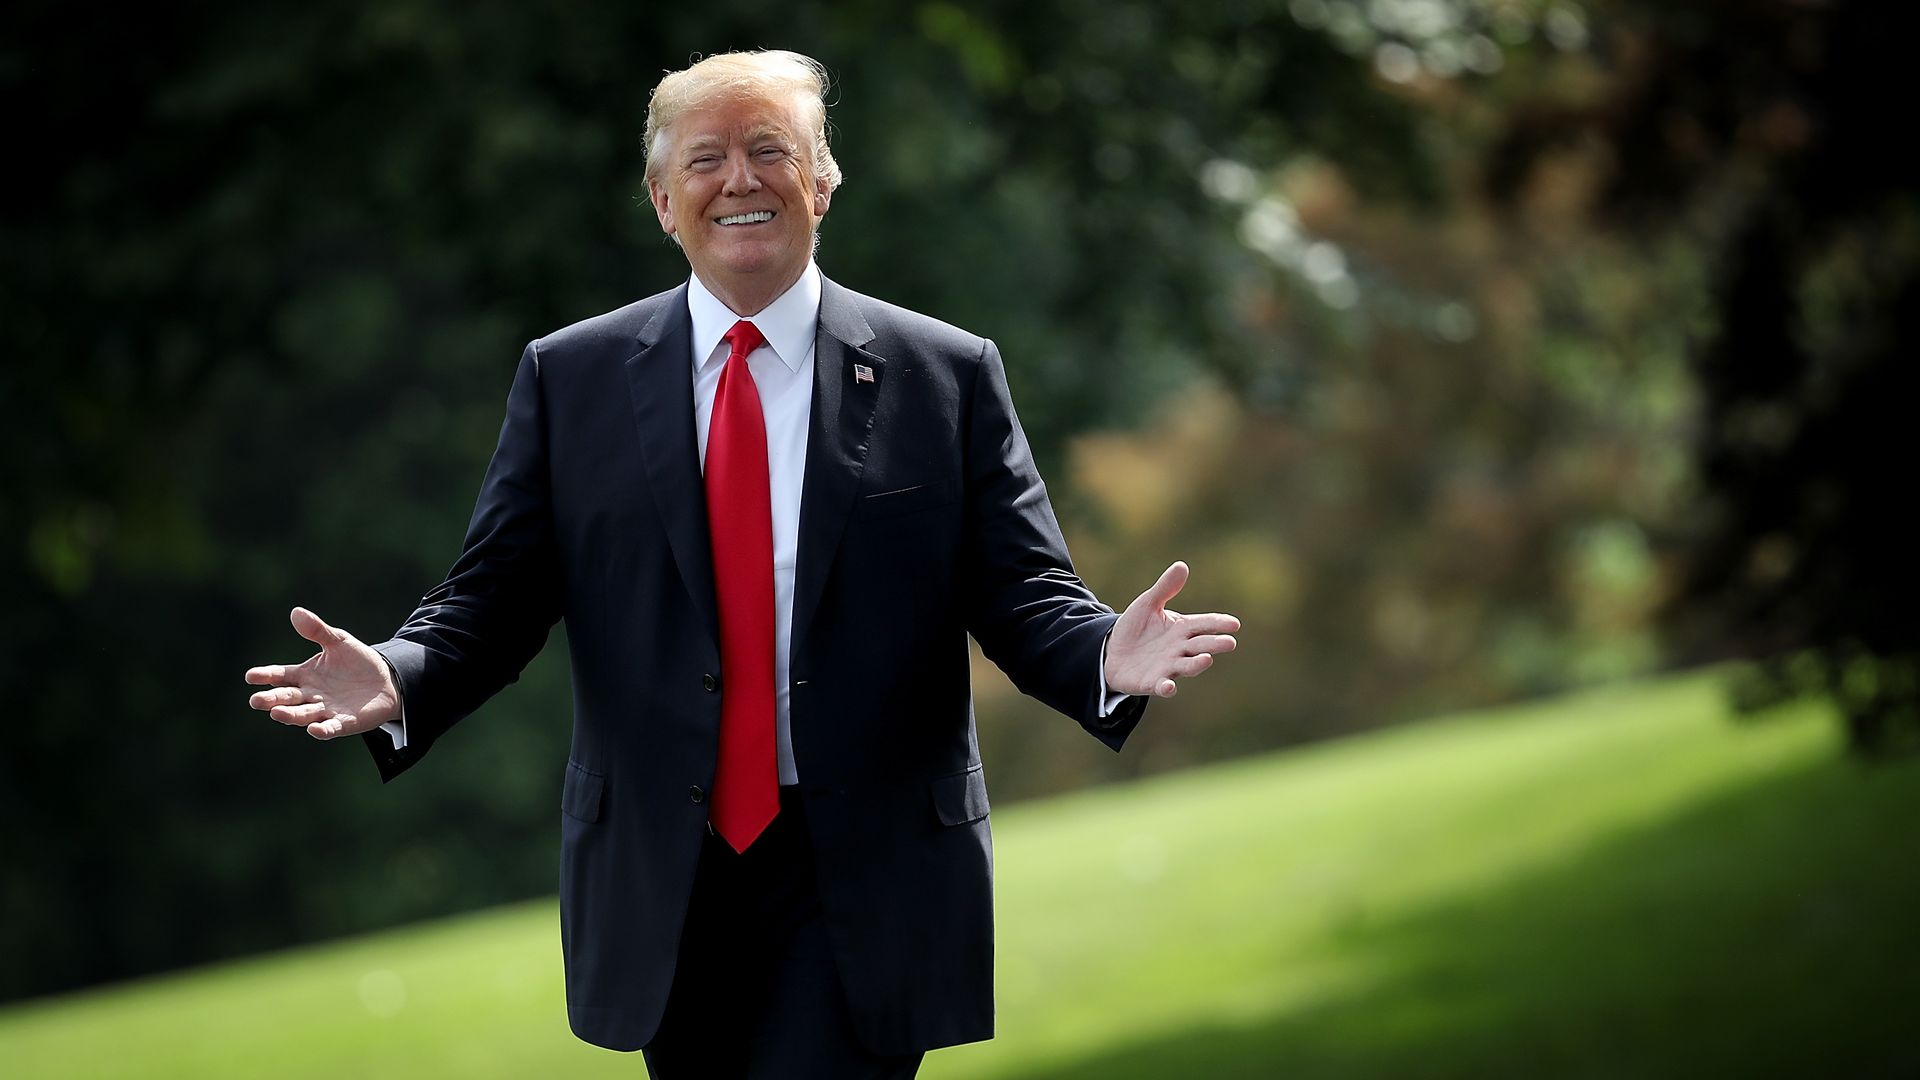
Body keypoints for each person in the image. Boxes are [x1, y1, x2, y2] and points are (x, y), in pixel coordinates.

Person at [245, 49, 1238, 1079]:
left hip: (862, 863)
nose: (740, 180)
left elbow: (1023, 589)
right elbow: (494, 597)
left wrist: (1099, 656)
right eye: (706, 158)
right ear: (663, 200)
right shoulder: (568, 379)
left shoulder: (943, 374)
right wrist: (401, 673)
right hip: (664, 871)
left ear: (821, 181)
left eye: (772, 150)